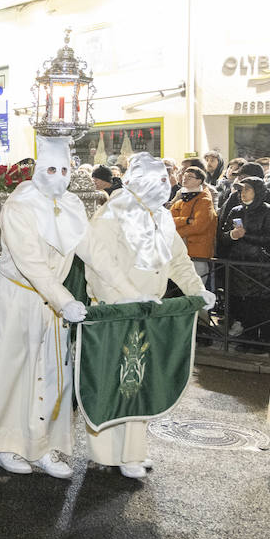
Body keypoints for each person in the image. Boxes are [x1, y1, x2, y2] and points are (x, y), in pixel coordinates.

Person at [0, 135, 118, 479]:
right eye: (51, 169)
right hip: (19, 297)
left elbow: (95, 253)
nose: (58, 176)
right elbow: (31, 264)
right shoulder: (19, 206)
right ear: (38, 170)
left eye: (64, 169)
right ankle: (5, 445)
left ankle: (42, 446)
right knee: (13, 371)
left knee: (53, 373)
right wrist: (66, 300)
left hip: (54, 303)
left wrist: (129, 290)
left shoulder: (70, 205)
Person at [80, 153, 215, 478]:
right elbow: (102, 264)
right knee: (112, 381)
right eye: (154, 180)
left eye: (162, 180)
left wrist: (197, 290)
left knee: (137, 382)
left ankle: (133, 452)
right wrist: (128, 297)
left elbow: (178, 259)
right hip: (116, 311)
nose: (162, 186)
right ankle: (107, 452)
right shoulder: (112, 214)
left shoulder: (162, 216)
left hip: (147, 311)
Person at [220, 176, 270, 346]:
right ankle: (248, 338)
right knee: (244, 304)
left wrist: (245, 235)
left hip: (260, 266)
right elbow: (223, 235)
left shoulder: (268, 210)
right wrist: (232, 235)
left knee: (263, 304)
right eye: (241, 190)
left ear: (258, 191)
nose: (243, 193)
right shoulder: (236, 211)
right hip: (239, 265)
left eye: (247, 189)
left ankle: (265, 340)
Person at [170, 166, 216, 287]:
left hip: (198, 253)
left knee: (197, 288)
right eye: (184, 176)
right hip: (180, 252)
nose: (185, 179)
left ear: (199, 180)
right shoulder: (180, 201)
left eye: (190, 177)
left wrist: (178, 231)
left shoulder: (205, 201)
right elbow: (168, 222)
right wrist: (185, 220)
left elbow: (199, 226)